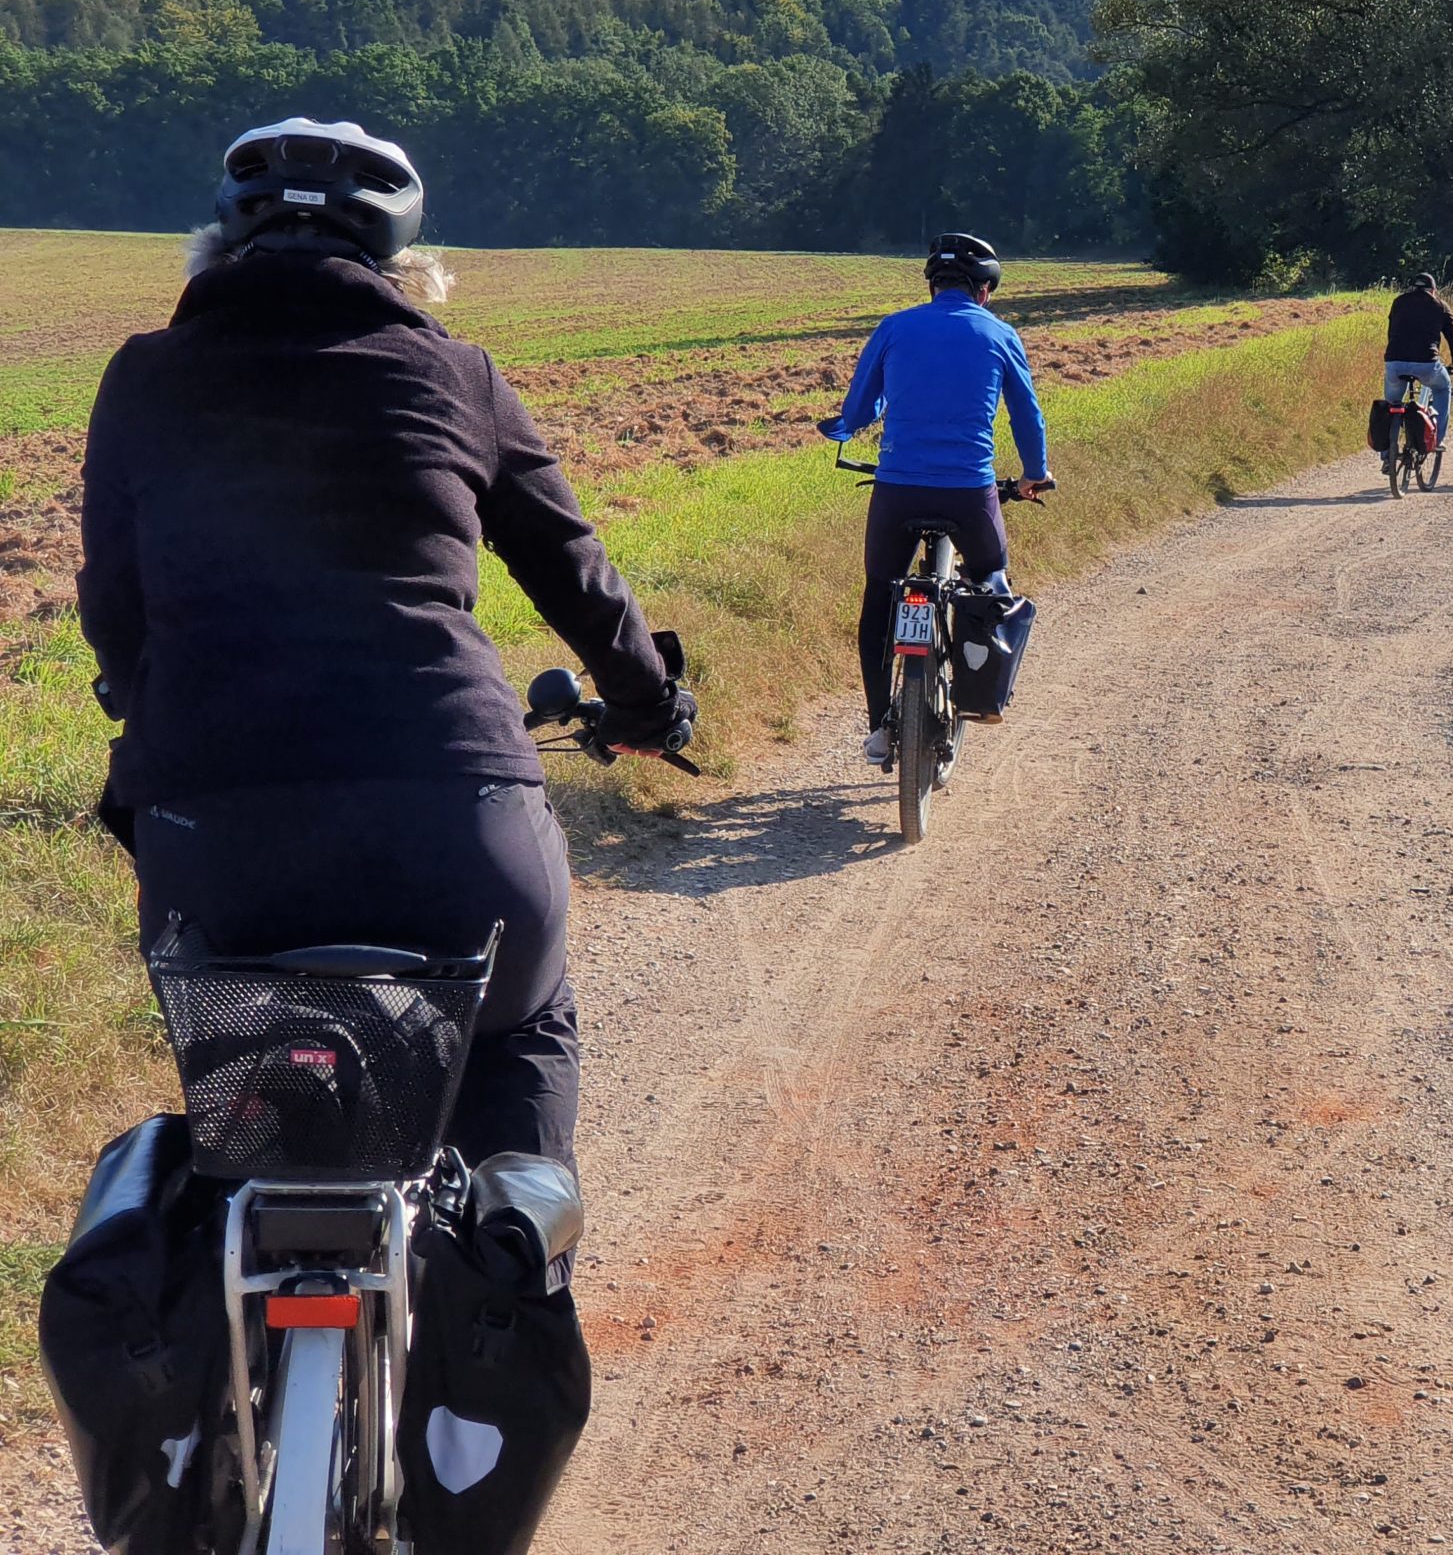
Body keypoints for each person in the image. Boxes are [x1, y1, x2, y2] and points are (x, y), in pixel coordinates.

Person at [77, 117, 696, 1171]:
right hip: (453, 820)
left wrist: (162, 707)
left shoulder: (142, 377)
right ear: (404, 266)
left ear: (218, 249)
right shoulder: (458, 377)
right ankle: (511, 1291)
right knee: (522, 1027)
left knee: (247, 1109)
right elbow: (574, 572)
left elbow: (113, 604)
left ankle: (242, 1284)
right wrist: (647, 701)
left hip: (215, 831)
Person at [821, 233, 1055, 769]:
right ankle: (980, 692)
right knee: (992, 579)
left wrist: (839, 429)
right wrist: (1034, 475)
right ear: (985, 290)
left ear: (932, 286)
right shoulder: (1000, 334)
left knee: (881, 595)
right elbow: (1026, 414)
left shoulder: (895, 327)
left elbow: (858, 411)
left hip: (898, 491)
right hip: (970, 493)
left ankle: (882, 723)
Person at [1382, 273, 1453, 447]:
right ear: (1433, 290)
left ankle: (1387, 453)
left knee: (1392, 403)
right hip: (1426, 363)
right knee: (1443, 387)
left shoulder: (1398, 302)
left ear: (1412, 288)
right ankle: (1435, 440)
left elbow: (1391, 332)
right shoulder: (1440, 305)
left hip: (1395, 361)